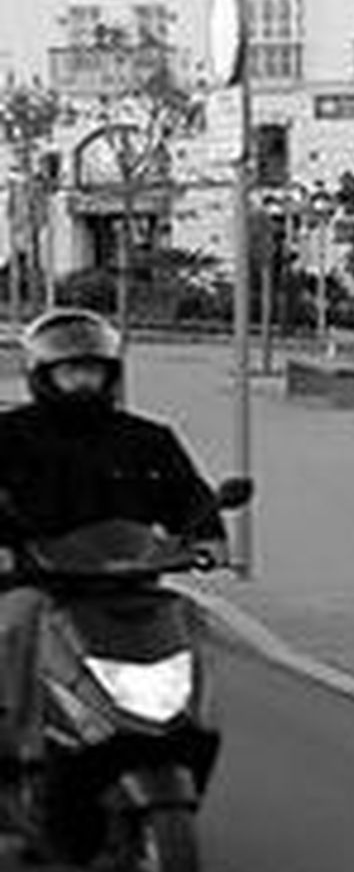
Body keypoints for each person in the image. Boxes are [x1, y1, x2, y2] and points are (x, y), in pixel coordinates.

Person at [0, 309, 228, 768]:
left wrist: (207, 533)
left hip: (129, 582)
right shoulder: (9, 436)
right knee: (14, 624)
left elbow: (186, 492)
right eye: (71, 371)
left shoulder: (147, 439)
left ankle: (185, 729)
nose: (84, 381)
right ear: (44, 376)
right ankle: (16, 753)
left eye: (93, 370)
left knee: (193, 622)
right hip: (37, 581)